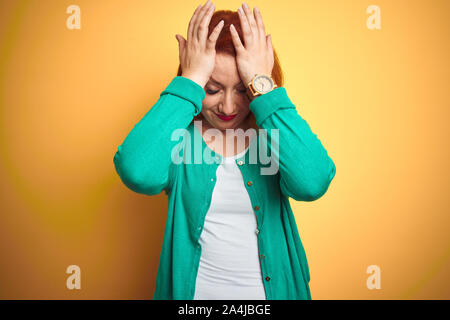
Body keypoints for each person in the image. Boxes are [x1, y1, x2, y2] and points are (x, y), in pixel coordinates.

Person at [113, 0, 336, 300]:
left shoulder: (274, 137)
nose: (228, 107)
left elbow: (313, 181)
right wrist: (189, 81)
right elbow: (136, 171)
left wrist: (262, 85)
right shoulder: (179, 140)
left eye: (243, 90)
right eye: (212, 89)